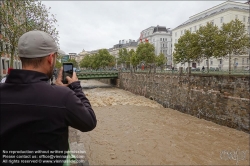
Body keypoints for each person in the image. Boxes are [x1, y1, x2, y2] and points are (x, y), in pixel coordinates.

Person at [0, 30, 97, 165]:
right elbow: (89, 122)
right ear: (51, 58)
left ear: (21, 57)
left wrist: (54, 88)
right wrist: (75, 87)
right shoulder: (62, 97)